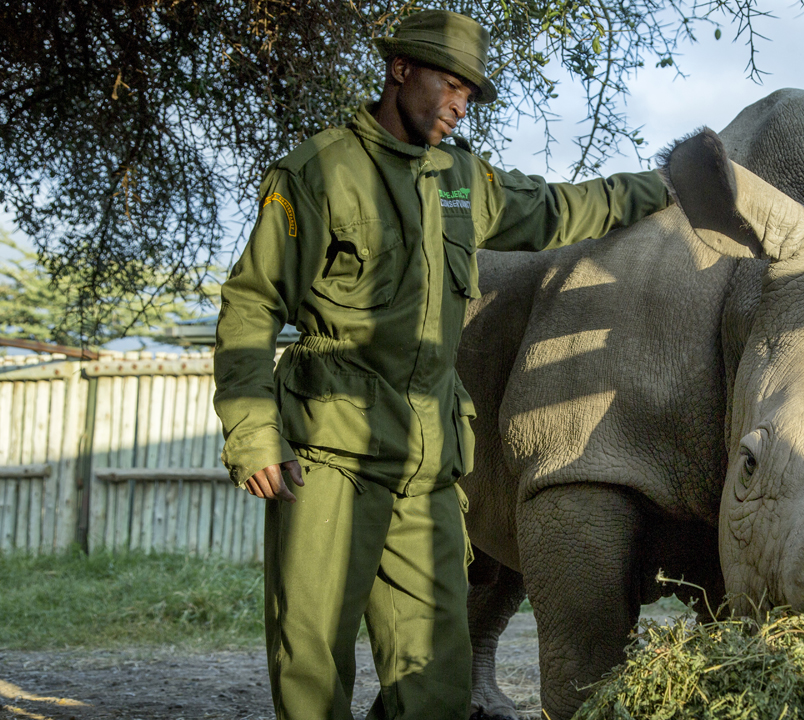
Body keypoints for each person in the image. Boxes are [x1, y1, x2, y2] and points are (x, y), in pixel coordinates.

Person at [212, 9, 672, 720]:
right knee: (311, 660)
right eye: (449, 86)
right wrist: (252, 433)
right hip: (330, 452)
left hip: (428, 461)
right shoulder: (318, 171)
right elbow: (250, 304)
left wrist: (668, 186)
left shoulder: (462, 179)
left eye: (470, 95)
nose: (459, 106)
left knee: (436, 674)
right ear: (400, 70)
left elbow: (560, 209)